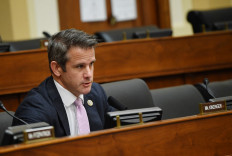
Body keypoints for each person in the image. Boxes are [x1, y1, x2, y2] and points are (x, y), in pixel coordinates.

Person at [12, 29, 115, 137]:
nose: (89, 74)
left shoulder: (96, 93)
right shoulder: (35, 110)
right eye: (80, 66)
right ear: (57, 68)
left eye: (91, 64)